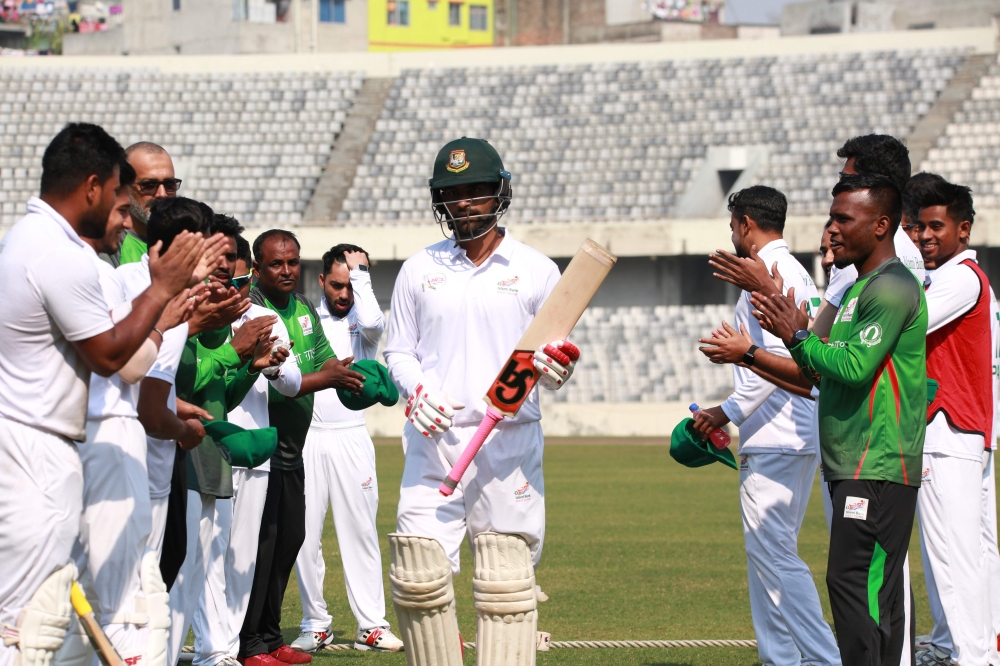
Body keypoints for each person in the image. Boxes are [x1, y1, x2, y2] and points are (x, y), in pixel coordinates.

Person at [0, 123, 202, 666]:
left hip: (45, 448)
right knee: (26, 629)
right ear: (93, 187)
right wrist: (163, 291)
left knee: (51, 624)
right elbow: (114, 357)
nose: (126, 214)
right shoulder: (55, 254)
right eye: (119, 196)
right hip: (34, 451)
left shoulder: (35, 242)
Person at [383, 138, 580, 663]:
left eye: (476, 190)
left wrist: (558, 367)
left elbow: (554, 361)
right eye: (452, 193)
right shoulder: (417, 269)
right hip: (434, 438)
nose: (464, 202)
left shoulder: (537, 270)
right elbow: (398, 350)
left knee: (505, 577)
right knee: (417, 570)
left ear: (500, 192)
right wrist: (415, 391)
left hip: (507, 443)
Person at [752, 172, 927, 665]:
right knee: (866, 591)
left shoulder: (892, 288)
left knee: (860, 588)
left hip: (878, 464)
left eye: (845, 219)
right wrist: (788, 339)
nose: (833, 229)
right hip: (855, 464)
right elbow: (819, 374)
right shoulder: (858, 290)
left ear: (881, 225)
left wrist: (798, 336)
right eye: (832, 217)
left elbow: (852, 366)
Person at [693, 186, 839, 666]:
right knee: (769, 560)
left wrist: (724, 413)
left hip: (776, 435)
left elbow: (769, 362)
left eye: (733, 224)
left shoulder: (767, 277)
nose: (731, 234)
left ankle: (822, 658)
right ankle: (781, 658)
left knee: (775, 557)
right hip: (797, 433)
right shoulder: (795, 270)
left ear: (746, 224)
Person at [70, 159, 205, 666]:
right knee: (134, 616)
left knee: (117, 610)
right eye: (125, 207)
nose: (128, 222)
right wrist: (186, 429)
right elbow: (135, 383)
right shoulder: (113, 280)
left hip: (113, 456)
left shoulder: (114, 276)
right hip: (126, 466)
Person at [167, 214, 289, 666]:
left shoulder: (215, 318)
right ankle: (207, 652)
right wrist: (232, 351)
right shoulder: (185, 312)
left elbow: (220, 394)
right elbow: (175, 382)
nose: (225, 276)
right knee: (185, 566)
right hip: (184, 451)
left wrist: (249, 365)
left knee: (208, 563)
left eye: (230, 267)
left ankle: (214, 652)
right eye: (219, 265)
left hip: (213, 451)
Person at [240, 230, 365, 666]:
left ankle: (272, 637)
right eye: (277, 263)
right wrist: (328, 379)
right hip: (263, 447)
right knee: (261, 546)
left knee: (290, 539)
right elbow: (289, 384)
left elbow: (321, 358)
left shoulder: (305, 307)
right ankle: (248, 642)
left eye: (293, 261)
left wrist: (346, 371)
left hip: (293, 449)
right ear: (258, 268)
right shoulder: (254, 312)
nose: (288, 270)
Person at [194, 233, 302, 666]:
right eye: (226, 276)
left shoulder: (262, 314)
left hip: (254, 446)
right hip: (213, 445)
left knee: (242, 557)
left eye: (237, 278)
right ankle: (210, 646)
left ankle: (234, 646)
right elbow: (201, 379)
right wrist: (238, 354)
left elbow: (292, 382)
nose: (233, 288)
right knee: (210, 551)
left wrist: (271, 365)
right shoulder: (198, 313)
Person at [290, 244, 403, 653]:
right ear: (321, 281)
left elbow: (373, 317)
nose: (344, 294)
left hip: (352, 436)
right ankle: (315, 623)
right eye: (336, 285)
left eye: (351, 284)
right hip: (308, 437)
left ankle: (371, 626)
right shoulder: (305, 319)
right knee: (303, 536)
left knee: (360, 532)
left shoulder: (364, 317)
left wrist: (361, 276)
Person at [909, 180, 1000, 666]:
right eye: (920, 226)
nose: (925, 236)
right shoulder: (955, 275)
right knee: (970, 553)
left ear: (963, 230)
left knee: (952, 559)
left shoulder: (960, 278)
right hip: (961, 429)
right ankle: (980, 651)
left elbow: (908, 323)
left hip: (947, 428)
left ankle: (972, 656)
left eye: (936, 227)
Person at [118, 142, 181, 266]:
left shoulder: (189, 244)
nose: (162, 194)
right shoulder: (110, 244)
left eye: (169, 184)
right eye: (149, 185)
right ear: (124, 187)